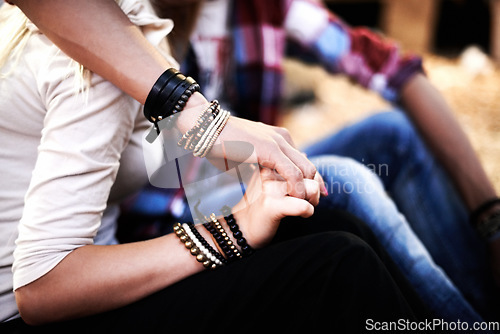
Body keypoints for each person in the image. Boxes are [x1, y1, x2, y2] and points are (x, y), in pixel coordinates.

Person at [0, 1, 431, 332]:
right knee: (340, 264)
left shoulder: (119, 33)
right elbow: (41, 289)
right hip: (51, 311)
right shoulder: (94, 59)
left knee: (332, 229)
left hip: (98, 281)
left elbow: (384, 65)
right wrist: (233, 231)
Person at [139, 0, 500, 322]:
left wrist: (491, 217)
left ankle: (481, 309)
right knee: (338, 178)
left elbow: (396, 71)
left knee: (393, 135)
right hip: (172, 211)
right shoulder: (131, 21)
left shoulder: (264, 7)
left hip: (244, 176)